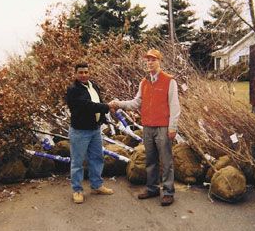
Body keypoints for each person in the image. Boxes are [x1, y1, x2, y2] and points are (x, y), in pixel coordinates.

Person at [110, 49, 180, 206]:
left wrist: (172, 127)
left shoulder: (169, 81)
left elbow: (175, 106)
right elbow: (136, 103)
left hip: (163, 126)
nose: (149, 62)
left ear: (159, 61)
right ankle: (152, 188)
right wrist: (118, 104)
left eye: (152, 60)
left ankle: (168, 191)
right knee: (150, 159)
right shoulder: (144, 82)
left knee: (166, 161)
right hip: (147, 126)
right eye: (147, 60)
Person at [66, 62, 114, 204]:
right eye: (80, 72)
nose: (84, 75)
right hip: (80, 131)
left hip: (95, 130)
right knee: (78, 162)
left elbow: (98, 101)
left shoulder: (93, 86)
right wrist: (107, 107)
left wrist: (103, 118)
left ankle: (97, 185)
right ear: (75, 74)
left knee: (97, 158)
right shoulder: (73, 90)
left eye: (86, 72)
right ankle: (77, 190)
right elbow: (86, 106)